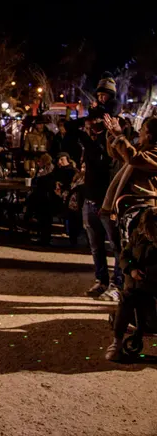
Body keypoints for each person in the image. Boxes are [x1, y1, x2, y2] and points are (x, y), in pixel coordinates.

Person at [71, 116, 120, 299]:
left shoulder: (111, 147)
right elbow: (71, 129)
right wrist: (88, 116)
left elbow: (104, 164)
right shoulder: (90, 144)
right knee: (96, 245)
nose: (91, 129)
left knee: (116, 245)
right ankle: (102, 280)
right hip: (90, 200)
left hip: (107, 202)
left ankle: (117, 284)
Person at [105, 207, 157, 362]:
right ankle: (117, 343)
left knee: (133, 298)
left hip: (152, 288)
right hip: (135, 287)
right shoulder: (137, 235)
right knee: (126, 298)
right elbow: (125, 256)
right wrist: (131, 268)